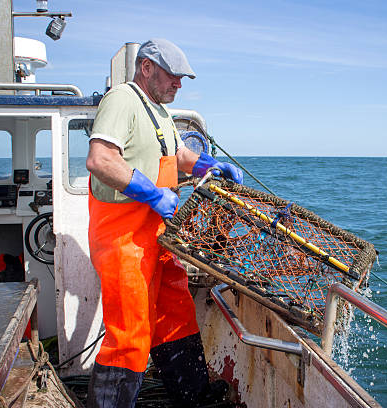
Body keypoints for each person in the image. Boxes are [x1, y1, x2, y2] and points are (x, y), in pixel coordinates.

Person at [85, 38, 243, 408]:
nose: (179, 84)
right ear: (146, 68)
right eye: (173, 76)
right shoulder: (123, 99)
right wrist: (153, 193)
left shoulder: (158, 111)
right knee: (130, 335)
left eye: (182, 79)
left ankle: (194, 396)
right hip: (123, 239)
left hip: (158, 238)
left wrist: (208, 165)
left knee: (176, 313)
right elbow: (101, 160)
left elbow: (180, 153)